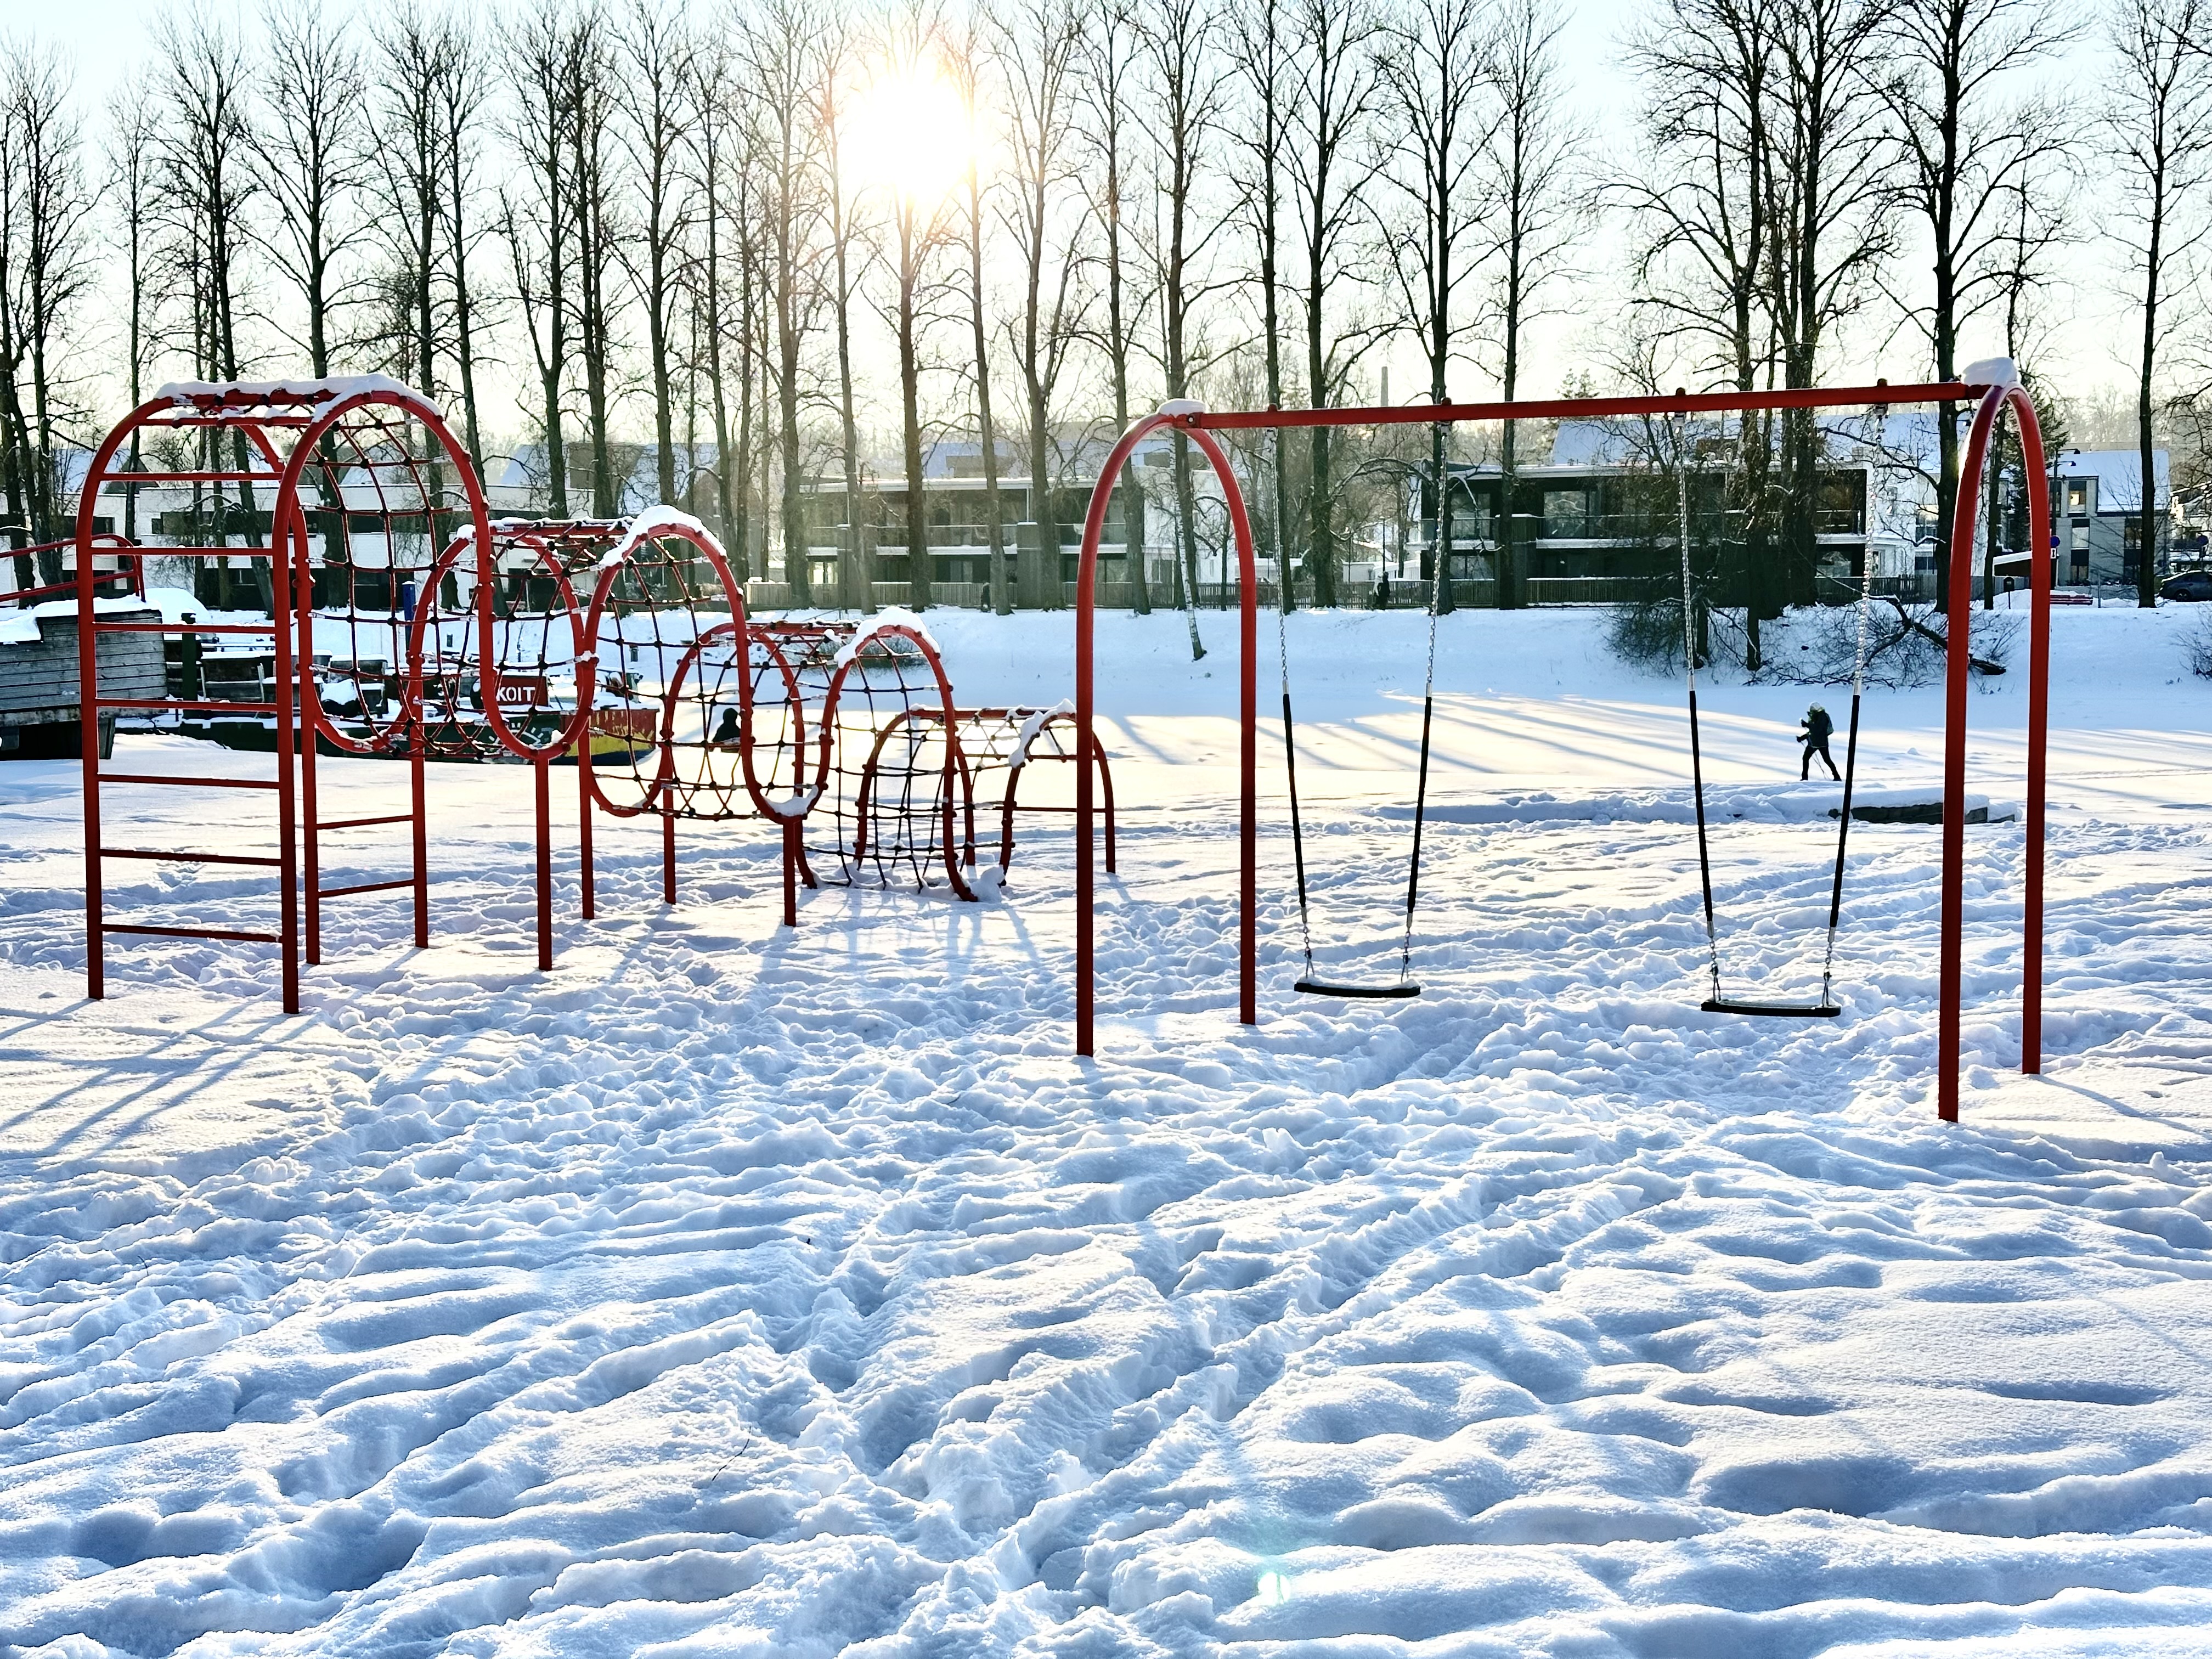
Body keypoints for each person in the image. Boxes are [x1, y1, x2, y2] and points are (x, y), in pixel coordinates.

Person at [1799, 702, 1839, 781]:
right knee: (1807, 758)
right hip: (1815, 743)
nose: (1812, 711)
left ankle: (1837, 776)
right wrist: (1802, 737)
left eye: (1813, 709)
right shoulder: (1815, 716)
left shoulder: (1822, 717)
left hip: (1821, 743)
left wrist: (1807, 725)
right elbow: (1813, 731)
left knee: (1826, 760)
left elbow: (1818, 729)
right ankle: (1804, 778)